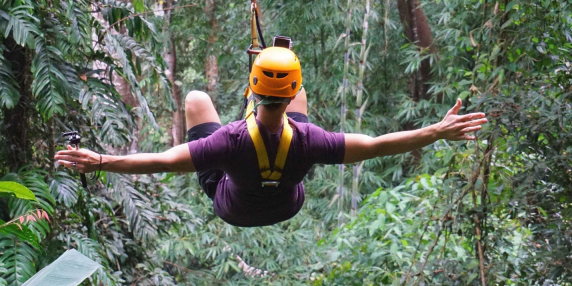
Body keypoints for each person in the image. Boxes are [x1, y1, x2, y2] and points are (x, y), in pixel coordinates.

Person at [54, 46, 487, 227]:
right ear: (288, 89)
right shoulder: (312, 139)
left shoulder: (227, 142)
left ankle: (268, 79)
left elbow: (163, 161)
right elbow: (377, 145)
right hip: (286, 202)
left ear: (252, 88)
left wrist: (100, 160)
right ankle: (278, 80)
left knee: (197, 99)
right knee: (298, 128)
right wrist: (437, 130)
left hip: (233, 207)